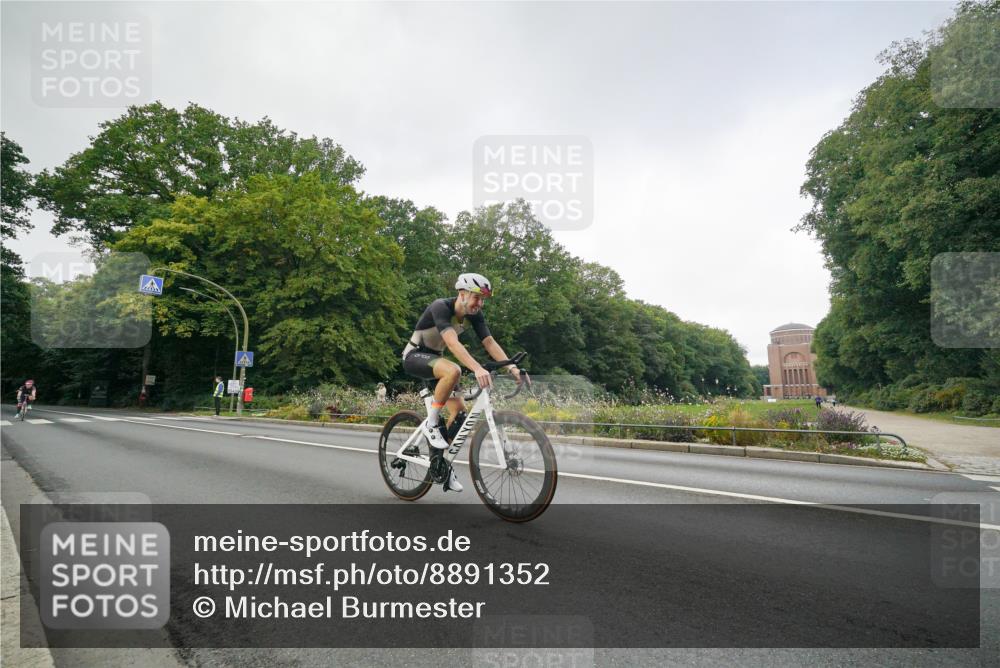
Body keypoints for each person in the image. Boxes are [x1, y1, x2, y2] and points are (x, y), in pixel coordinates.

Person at [401, 273, 524, 493]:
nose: (480, 303)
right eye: (476, 297)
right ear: (462, 294)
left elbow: (489, 342)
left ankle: (441, 465)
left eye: (483, 299)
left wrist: (511, 367)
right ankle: (430, 425)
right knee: (454, 370)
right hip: (415, 356)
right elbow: (451, 341)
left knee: (459, 415)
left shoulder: (475, 315)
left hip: (437, 361)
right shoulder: (441, 307)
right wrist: (477, 368)